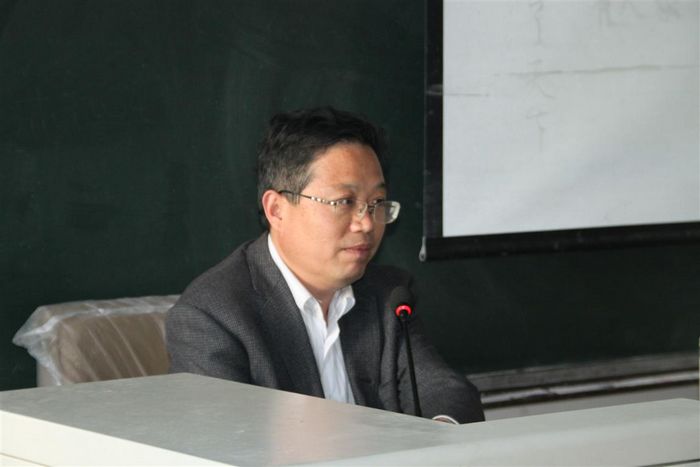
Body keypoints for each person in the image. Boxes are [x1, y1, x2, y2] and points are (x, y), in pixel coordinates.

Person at [166, 107, 484, 424]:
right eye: (344, 202)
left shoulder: (389, 295)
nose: (366, 224)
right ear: (277, 209)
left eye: (376, 203)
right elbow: (225, 439)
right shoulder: (212, 316)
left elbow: (443, 389)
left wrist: (443, 434)